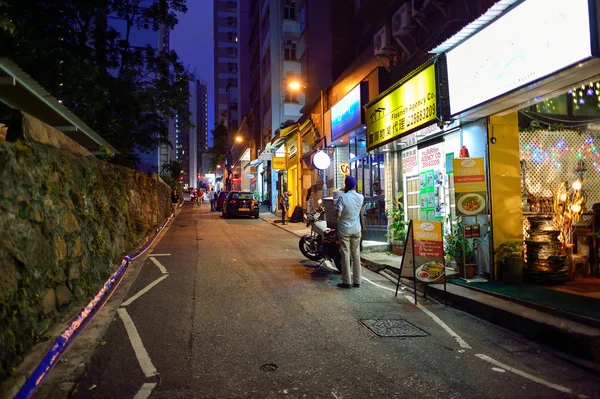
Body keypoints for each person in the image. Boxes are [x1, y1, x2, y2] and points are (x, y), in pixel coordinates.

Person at [335, 175, 364, 289]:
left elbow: (338, 215)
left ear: (346, 185)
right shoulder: (360, 197)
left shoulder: (342, 198)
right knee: (356, 254)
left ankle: (347, 281)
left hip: (345, 229)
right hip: (356, 229)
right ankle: (358, 281)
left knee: (345, 254)